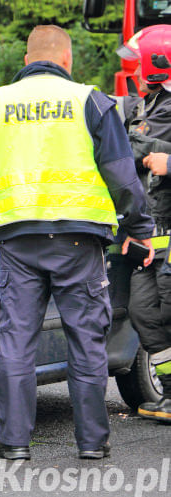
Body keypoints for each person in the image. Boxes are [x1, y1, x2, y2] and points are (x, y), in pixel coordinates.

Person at [0, 25, 155, 460]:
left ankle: (15, 444)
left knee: (17, 342)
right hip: (80, 242)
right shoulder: (91, 102)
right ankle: (93, 444)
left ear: (27, 60)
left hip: (19, 242)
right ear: (67, 60)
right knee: (85, 342)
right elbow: (122, 175)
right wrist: (140, 229)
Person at [116, 25, 171, 423]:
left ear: (157, 65)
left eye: (136, 63)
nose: (131, 71)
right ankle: (169, 394)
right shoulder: (148, 104)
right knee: (145, 313)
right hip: (152, 241)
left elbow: (132, 147)